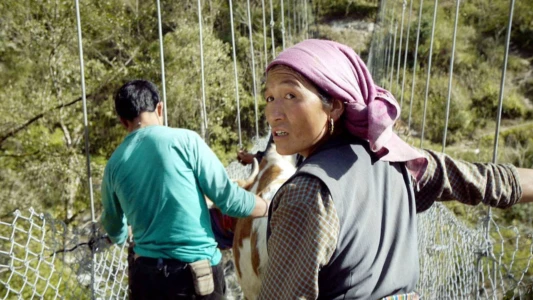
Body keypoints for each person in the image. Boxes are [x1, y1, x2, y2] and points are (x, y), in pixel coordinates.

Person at [256, 39, 533, 299]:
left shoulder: (307, 193)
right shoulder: (399, 160)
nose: (273, 113)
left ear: (336, 107)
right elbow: (489, 182)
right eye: (270, 98)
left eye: (290, 95)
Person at [99, 79, 270, 300]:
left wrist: (120, 236)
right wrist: (270, 207)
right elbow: (229, 200)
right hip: (197, 276)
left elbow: (114, 225)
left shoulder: (114, 164)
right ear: (160, 108)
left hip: (147, 279)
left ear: (123, 121)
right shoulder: (185, 141)